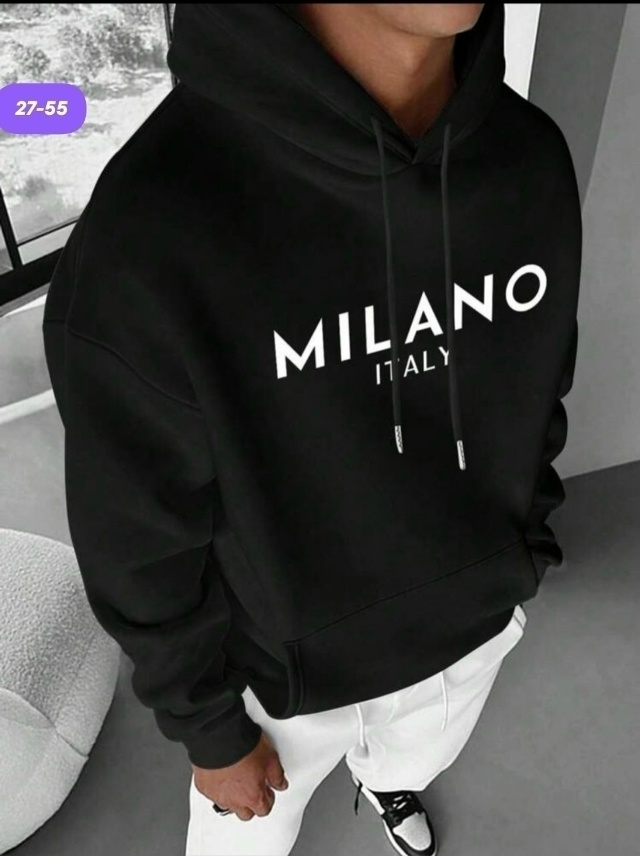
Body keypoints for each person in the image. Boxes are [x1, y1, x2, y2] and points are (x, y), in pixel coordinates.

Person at [42, 3, 582, 855]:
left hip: (473, 625)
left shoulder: (527, 158)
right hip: (275, 683)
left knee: (415, 758)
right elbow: (135, 531)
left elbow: (539, 378)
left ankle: (388, 785)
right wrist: (207, 727)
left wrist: (523, 548)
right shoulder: (153, 227)